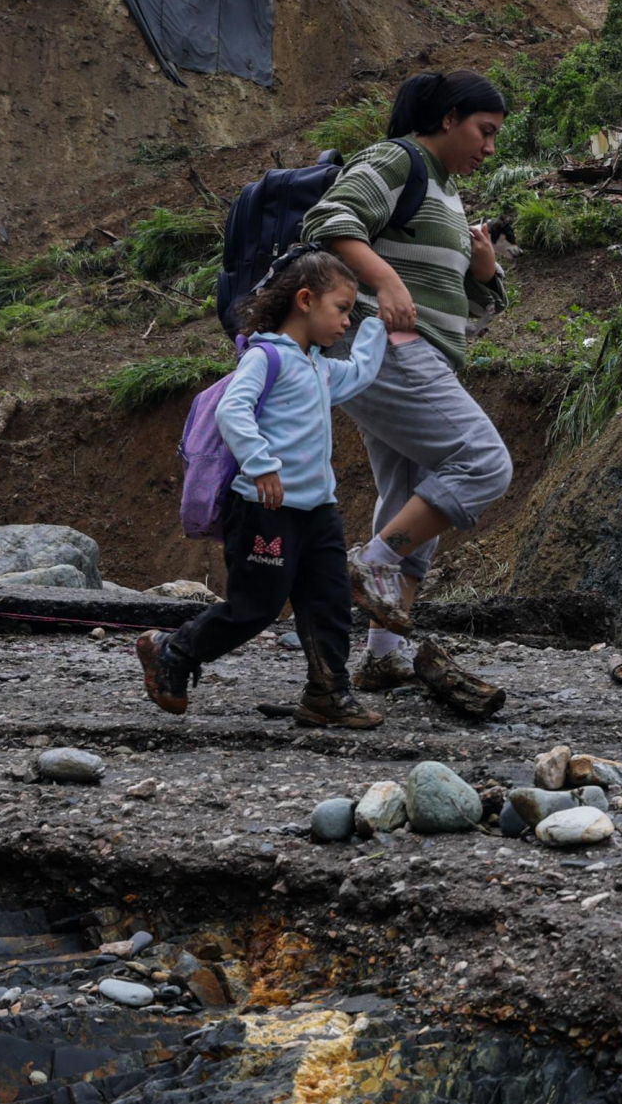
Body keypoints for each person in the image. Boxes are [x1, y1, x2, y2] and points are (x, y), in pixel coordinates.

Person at [300, 69, 515, 720]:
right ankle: (371, 563)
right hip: (385, 347)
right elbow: (329, 219)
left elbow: (463, 309)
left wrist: (483, 273)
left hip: (419, 356)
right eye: (484, 131)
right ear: (448, 118)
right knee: (484, 463)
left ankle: (382, 654)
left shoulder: (446, 194)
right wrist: (387, 281)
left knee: (411, 495)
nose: (489, 148)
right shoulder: (400, 159)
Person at [138, 249, 391, 729]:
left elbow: (359, 373)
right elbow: (232, 409)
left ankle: (327, 693)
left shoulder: (318, 366)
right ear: (304, 300)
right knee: (256, 607)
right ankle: (173, 650)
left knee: (329, 602)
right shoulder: (266, 356)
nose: (346, 322)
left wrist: (379, 324)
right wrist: (261, 465)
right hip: (264, 507)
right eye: (342, 309)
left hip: (318, 510)